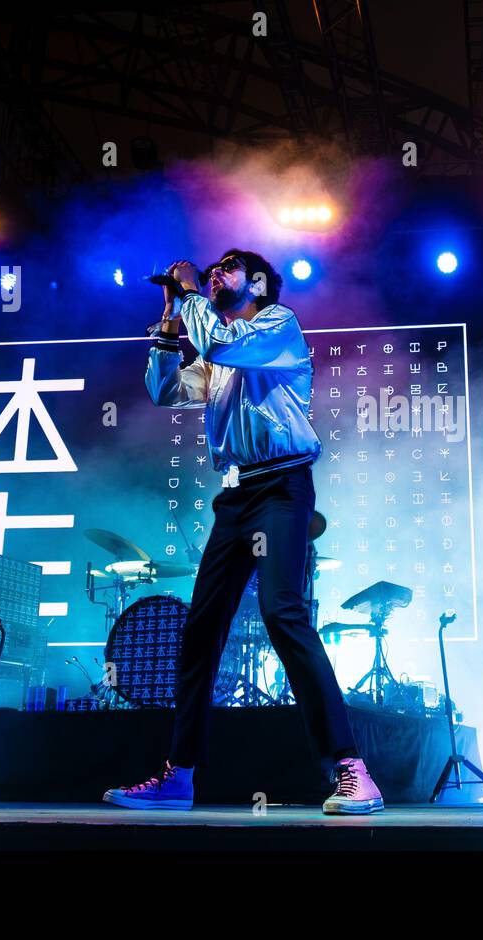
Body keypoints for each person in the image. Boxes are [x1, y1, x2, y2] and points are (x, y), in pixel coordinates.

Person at [103, 249, 383, 814]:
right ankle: (178, 776)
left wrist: (188, 295)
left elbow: (220, 343)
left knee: (283, 612)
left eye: (228, 267)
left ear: (256, 282)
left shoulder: (276, 326)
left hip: (282, 486)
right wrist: (166, 324)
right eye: (211, 269)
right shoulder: (219, 350)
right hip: (235, 498)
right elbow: (165, 390)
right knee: (200, 629)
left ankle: (352, 769)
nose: (214, 272)